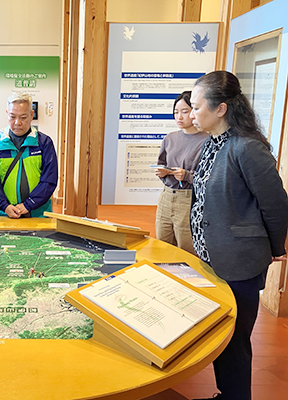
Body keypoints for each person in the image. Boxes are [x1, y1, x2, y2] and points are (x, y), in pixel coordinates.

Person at [189, 71, 288, 400]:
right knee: (222, 337)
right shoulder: (211, 144)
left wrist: (276, 248)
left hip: (240, 262)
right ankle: (225, 393)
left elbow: (275, 205)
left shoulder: (247, 148)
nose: (191, 114)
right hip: (212, 259)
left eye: (196, 107)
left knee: (234, 340)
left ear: (220, 109)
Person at [0, 91, 58, 218]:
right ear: (7, 114)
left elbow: (49, 180)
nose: (17, 123)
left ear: (31, 114)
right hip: (5, 213)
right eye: (12, 117)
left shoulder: (44, 143)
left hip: (38, 213)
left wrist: (28, 205)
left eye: (23, 117)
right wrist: (5, 206)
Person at [155, 91, 209, 254]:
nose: (179, 116)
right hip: (166, 196)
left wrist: (186, 175)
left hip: (189, 198)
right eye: (176, 112)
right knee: (162, 247)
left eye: (184, 111)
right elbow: (161, 163)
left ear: (194, 111)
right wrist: (163, 172)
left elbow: (210, 177)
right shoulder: (170, 138)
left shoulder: (207, 140)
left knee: (187, 250)